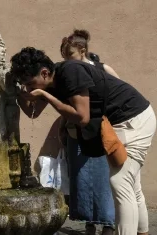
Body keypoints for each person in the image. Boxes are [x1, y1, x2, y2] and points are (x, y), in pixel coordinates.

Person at [11, 47, 155, 235]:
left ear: (44, 73)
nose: (30, 89)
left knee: (120, 181)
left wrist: (45, 95)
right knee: (132, 184)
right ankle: (143, 232)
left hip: (134, 118)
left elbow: (82, 117)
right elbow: (34, 113)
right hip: (121, 123)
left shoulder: (71, 72)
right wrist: (19, 94)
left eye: (30, 84)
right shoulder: (48, 83)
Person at [58, 29, 118, 235]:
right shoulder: (69, 73)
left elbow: (118, 93)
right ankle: (90, 222)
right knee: (81, 179)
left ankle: (108, 223)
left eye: (70, 56)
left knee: (103, 179)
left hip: (99, 133)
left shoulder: (102, 69)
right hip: (76, 133)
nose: (67, 61)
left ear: (82, 50)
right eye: (64, 57)